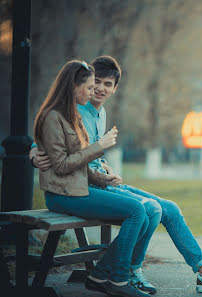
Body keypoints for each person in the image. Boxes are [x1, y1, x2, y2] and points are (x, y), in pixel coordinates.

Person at [30, 56, 202, 294]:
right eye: (94, 83)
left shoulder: (100, 113)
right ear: (82, 84)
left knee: (167, 207)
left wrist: (105, 168)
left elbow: (79, 151)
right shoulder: (74, 108)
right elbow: (48, 139)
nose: (98, 89)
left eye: (106, 84)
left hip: (99, 181)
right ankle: (126, 271)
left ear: (115, 89)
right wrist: (33, 153)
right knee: (149, 209)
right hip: (83, 185)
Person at [33, 59, 158, 297]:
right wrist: (98, 147)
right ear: (73, 86)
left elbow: (79, 164)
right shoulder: (53, 117)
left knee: (144, 210)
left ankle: (101, 274)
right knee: (136, 211)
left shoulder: (73, 116)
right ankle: (118, 281)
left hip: (79, 188)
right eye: (89, 87)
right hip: (62, 195)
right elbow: (60, 166)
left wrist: (103, 179)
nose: (93, 92)